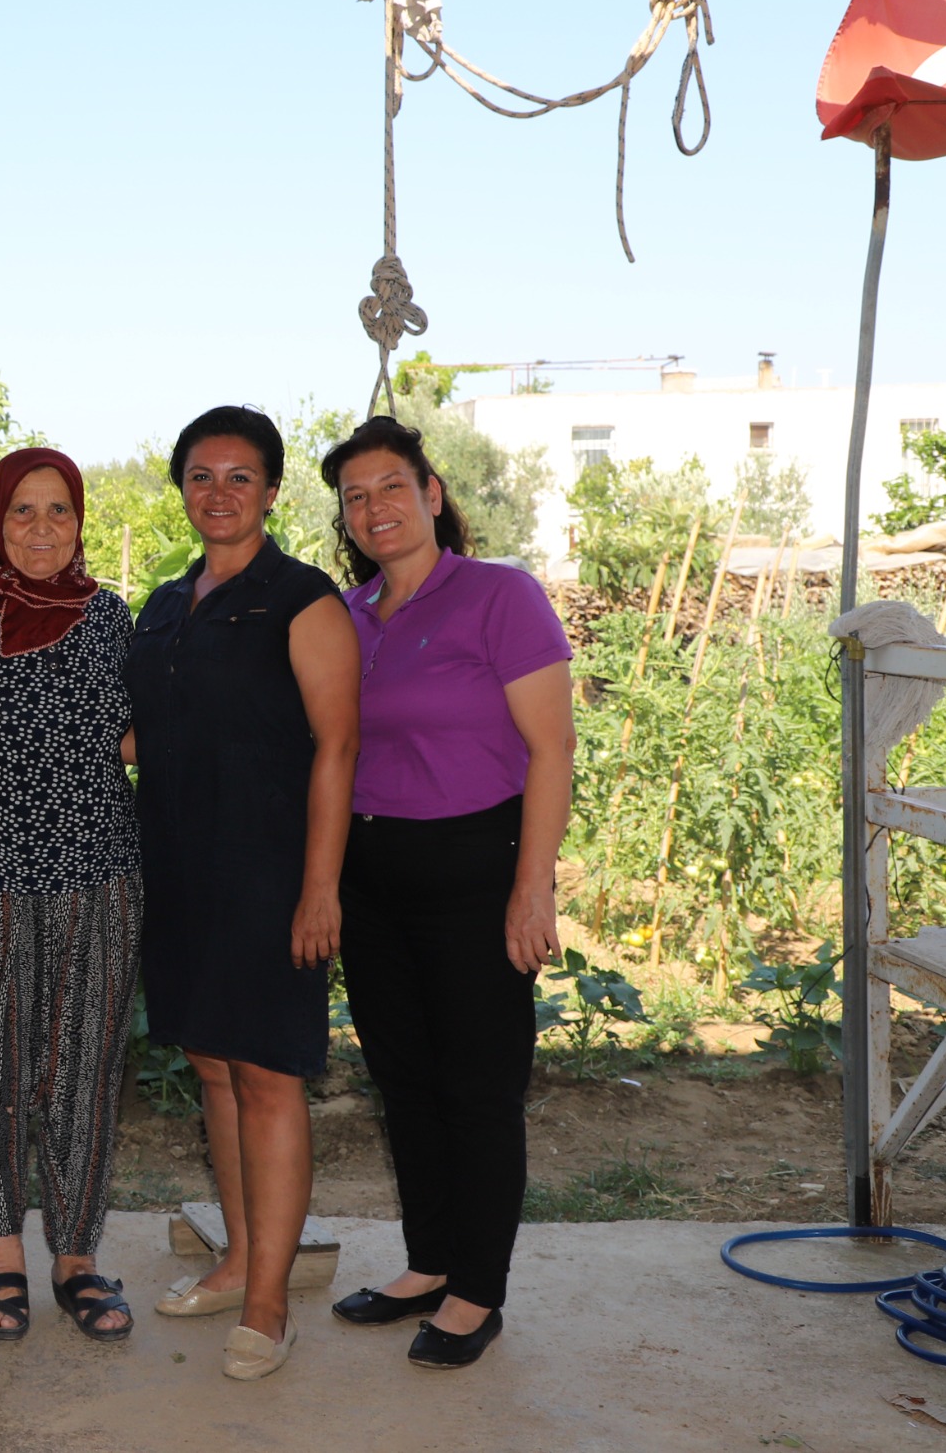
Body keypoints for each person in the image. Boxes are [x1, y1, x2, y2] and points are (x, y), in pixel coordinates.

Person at [320, 414, 573, 1371]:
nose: (374, 507)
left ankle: (478, 1289)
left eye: (392, 486)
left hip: (474, 866)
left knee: (478, 1085)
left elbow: (552, 749)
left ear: (431, 494)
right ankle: (429, 1262)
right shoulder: (347, 616)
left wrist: (531, 886)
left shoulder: (500, 596)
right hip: (371, 875)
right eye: (355, 496)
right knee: (403, 1078)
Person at [126, 405, 359, 1384]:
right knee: (213, 1069)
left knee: (265, 1076)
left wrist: (319, 888)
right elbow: (146, 730)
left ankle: (269, 1302)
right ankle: (235, 1261)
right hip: (178, 872)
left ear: (270, 490)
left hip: (269, 875)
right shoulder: (163, 605)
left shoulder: (302, 599)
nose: (217, 492)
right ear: (181, 487)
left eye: (238, 476)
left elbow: (337, 746)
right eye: (200, 475)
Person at [0, 448, 144, 1344]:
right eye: (24, 510)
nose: (43, 528)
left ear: (80, 521)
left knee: (83, 1069)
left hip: (99, 873)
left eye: (60, 510)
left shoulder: (110, 617)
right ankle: (4, 1257)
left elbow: (136, 736)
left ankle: (77, 1261)